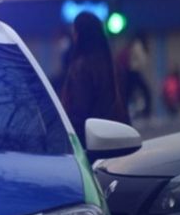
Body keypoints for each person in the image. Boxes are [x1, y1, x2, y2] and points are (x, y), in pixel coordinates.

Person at [58, 11, 129, 146]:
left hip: (89, 143)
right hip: (117, 139)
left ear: (79, 35)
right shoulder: (114, 67)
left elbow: (78, 112)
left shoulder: (80, 68)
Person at [115, 31, 153, 120]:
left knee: (128, 93)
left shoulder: (132, 44)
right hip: (133, 71)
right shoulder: (138, 45)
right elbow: (141, 59)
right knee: (145, 91)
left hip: (130, 72)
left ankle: (124, 112)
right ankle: (146, 112)